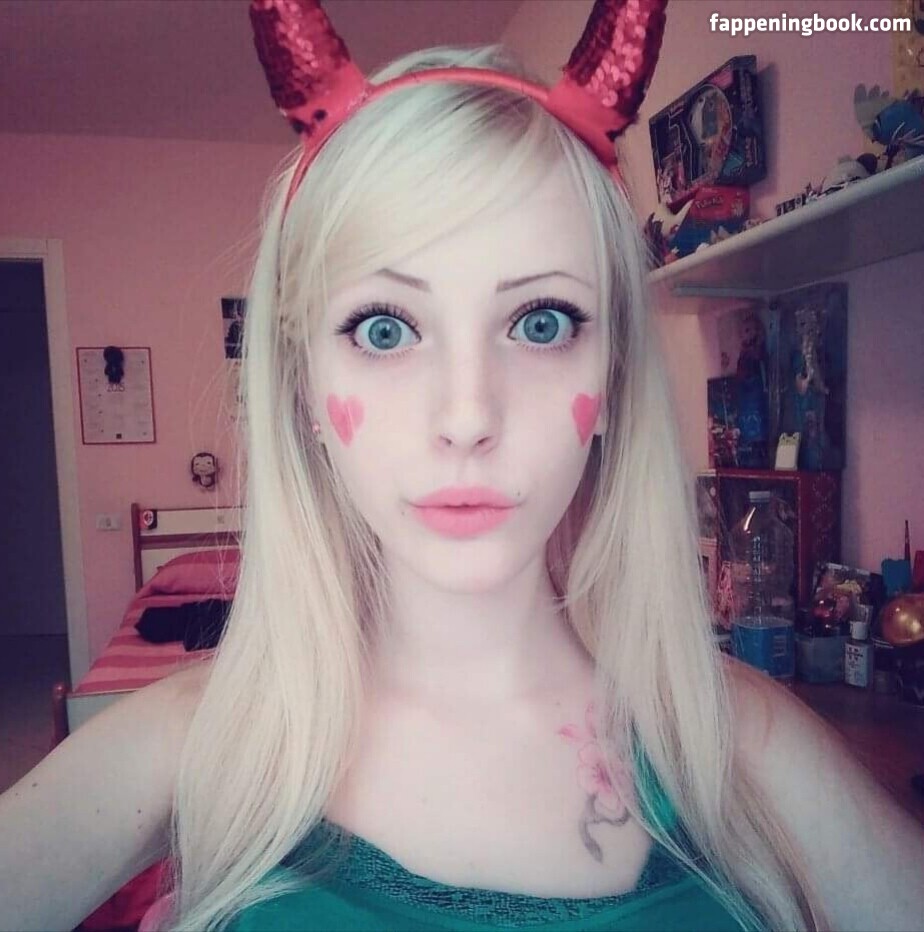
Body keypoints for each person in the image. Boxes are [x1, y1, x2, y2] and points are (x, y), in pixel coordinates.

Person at [2, 1, 923, 930]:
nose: (468, 416)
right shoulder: (192, 744)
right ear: (304, 389)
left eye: (541, 322)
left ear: (611, 377)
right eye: (384, 328)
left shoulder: (739, 741)